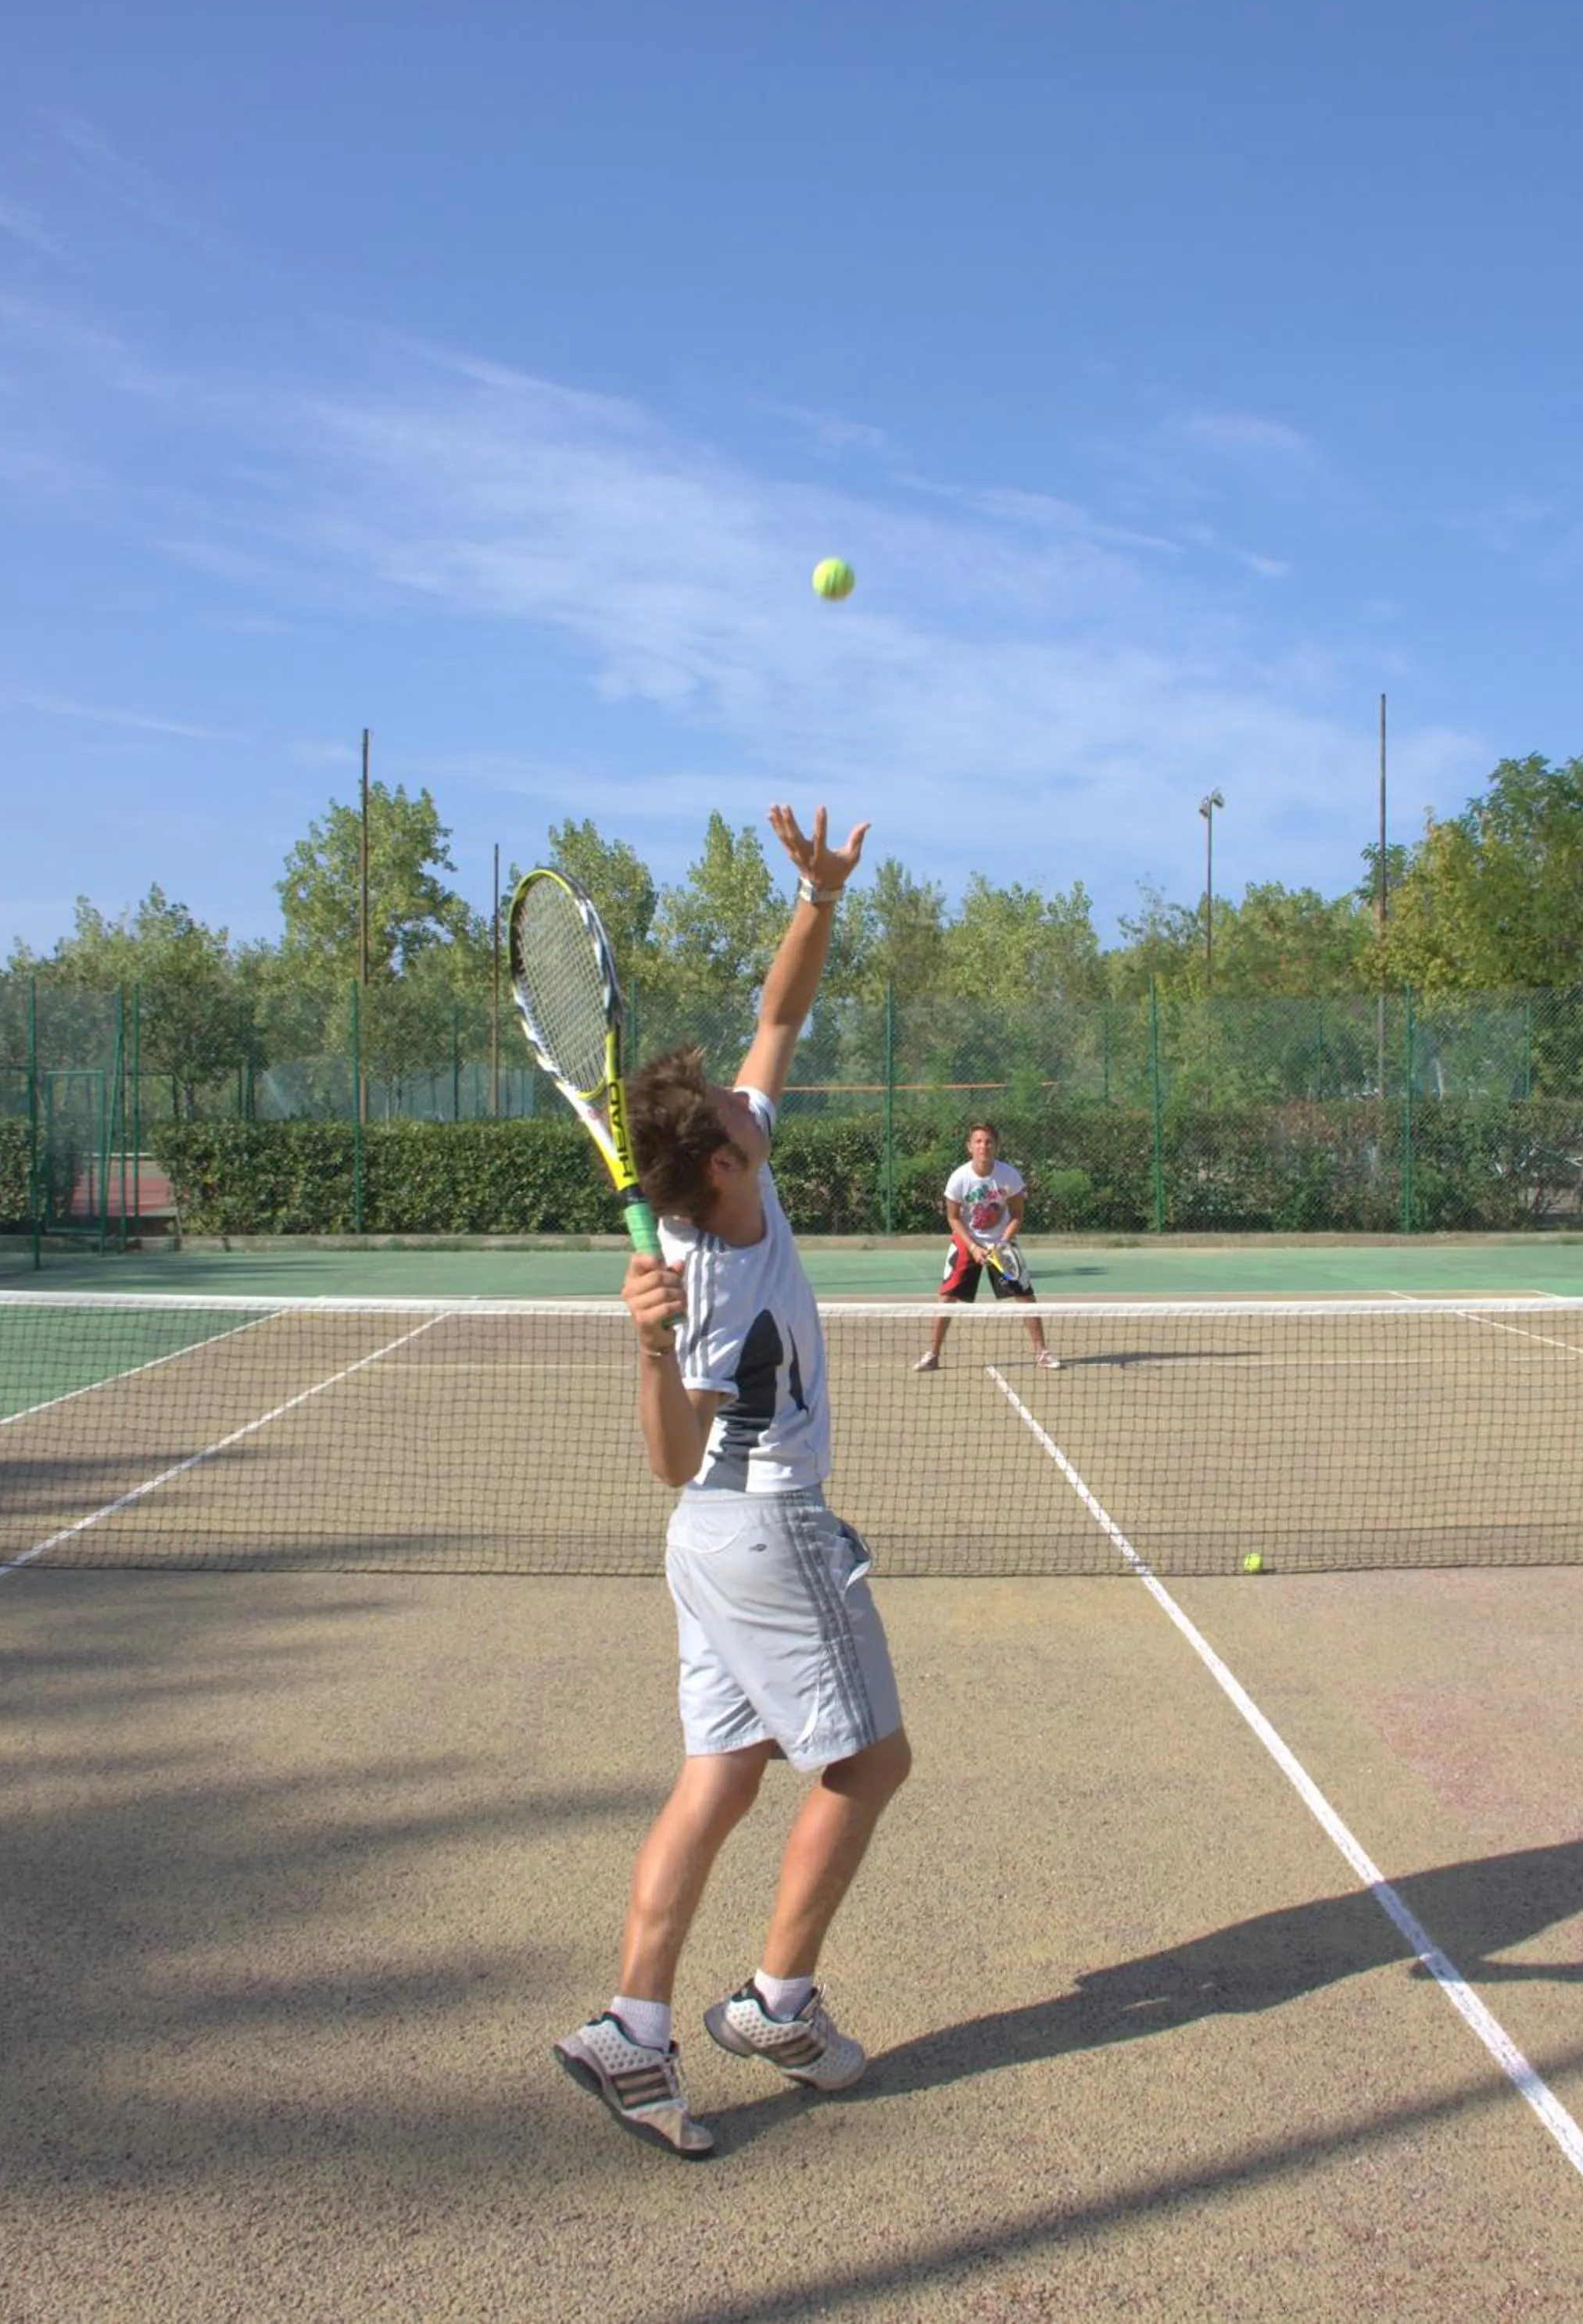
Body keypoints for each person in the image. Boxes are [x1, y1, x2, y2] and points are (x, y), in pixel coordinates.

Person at [554, 803, 911, 2160]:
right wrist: (648, 1354)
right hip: (764, 1530)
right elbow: (665, 1457)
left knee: (720, 1776)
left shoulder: (727, 1170)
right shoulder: (702, 1283)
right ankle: (777, 2003)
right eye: (727, 1111)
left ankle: (630, 2037)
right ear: (716, 1160)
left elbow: (778, 1017)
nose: (751, 1097)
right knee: (870, 1764)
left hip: (709, 1550)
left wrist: (818, 897)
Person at [913, 1121, 1060, 1372]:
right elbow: (953, 1218)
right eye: (978, 1142)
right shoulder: (959, 1178)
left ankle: (1042, 1352)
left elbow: (1017, 1216)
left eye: (989, 1141)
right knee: (947, 1296)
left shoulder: (1009, 1176)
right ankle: (933, 1354)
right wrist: (972, 1248)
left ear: (996, 1146)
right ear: (969, 1147)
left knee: (1025, 1294)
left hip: (1001, 1240)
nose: (984, 1146)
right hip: (967, 1240)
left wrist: (1001, 1244)